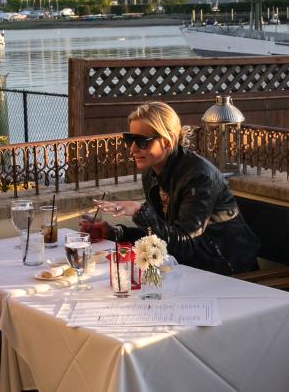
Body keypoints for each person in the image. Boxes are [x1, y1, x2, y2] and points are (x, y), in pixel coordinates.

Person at [92, 101, 260, 275]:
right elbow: (161, 236)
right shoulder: (152, 173)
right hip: (194, 267)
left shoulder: (200, 177)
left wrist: (140, 211)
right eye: (130, 139)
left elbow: (183, 244)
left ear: (167, 141)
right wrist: (115, 232)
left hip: (230, 271)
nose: (133, 149)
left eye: (142, 141)